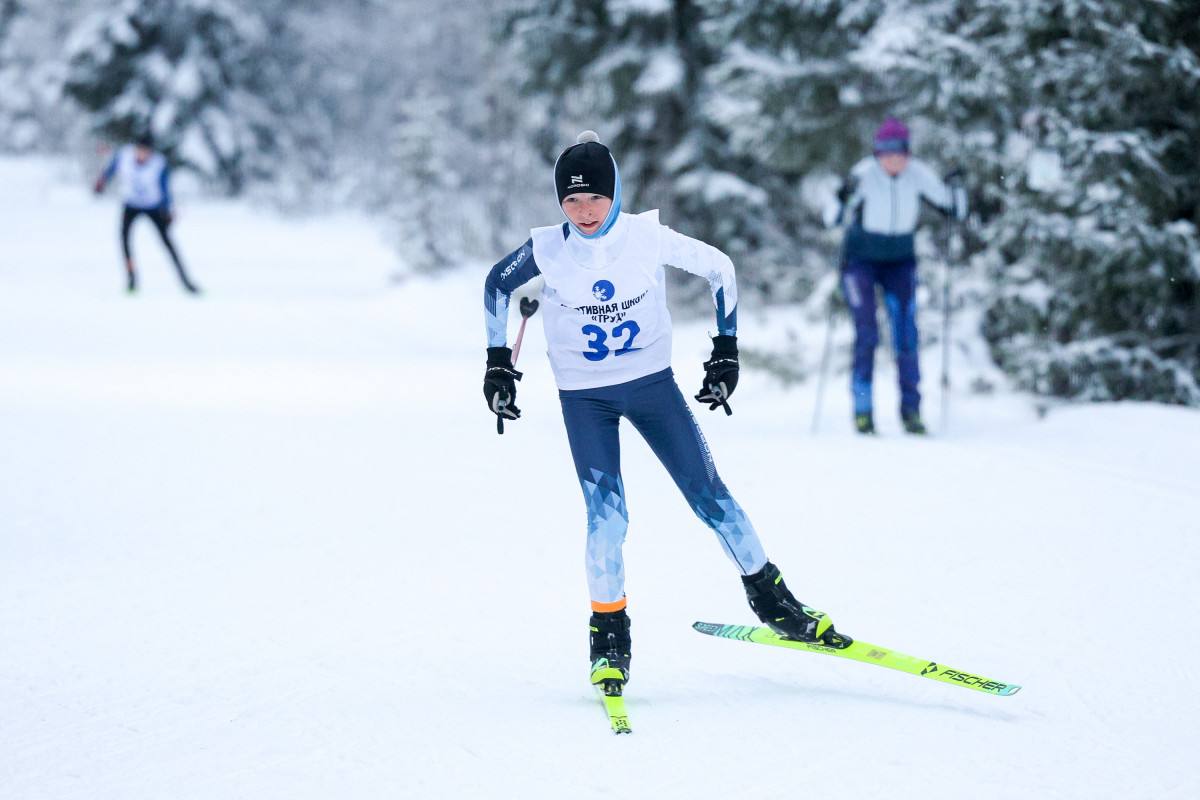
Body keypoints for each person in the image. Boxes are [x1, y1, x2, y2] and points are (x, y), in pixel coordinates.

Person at [482, 131, 848, 694]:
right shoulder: (546, 250)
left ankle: (775, 603)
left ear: (617, 195)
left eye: (595, 199)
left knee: (711, 497)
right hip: (586, 399)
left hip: (653, 389)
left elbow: (720, 268)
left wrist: (725, 351)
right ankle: (608, 638)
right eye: (571, 201)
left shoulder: (646, 238)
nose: (584, 212)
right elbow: (495, 287)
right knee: (608, 521)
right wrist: (498, 363)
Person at [825, 117, 966, 435]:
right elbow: (832, 217)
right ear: (877, 153)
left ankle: (911, 411)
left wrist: (956, 188)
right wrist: (840, 196)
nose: (894, 159)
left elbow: (954, 208)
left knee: (905, 335)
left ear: (907, 152)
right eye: (887, 153)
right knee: (867, 334)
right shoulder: (863, 174)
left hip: (900, 261)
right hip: (860, 261)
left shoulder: (917, 173)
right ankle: (863, 411)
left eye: (900, 152)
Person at [94, 133, 200, 295]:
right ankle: (132, 280)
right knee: (124, 241)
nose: (142, 154)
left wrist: (167, 209)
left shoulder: (159, 164)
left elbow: (165, 189)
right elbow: (111, 170)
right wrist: (102, 182)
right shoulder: (124, 156)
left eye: (146, 151)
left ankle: (186, 281)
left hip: (153, 207)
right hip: (131, 205)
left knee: (168, 244)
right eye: (140, 150)